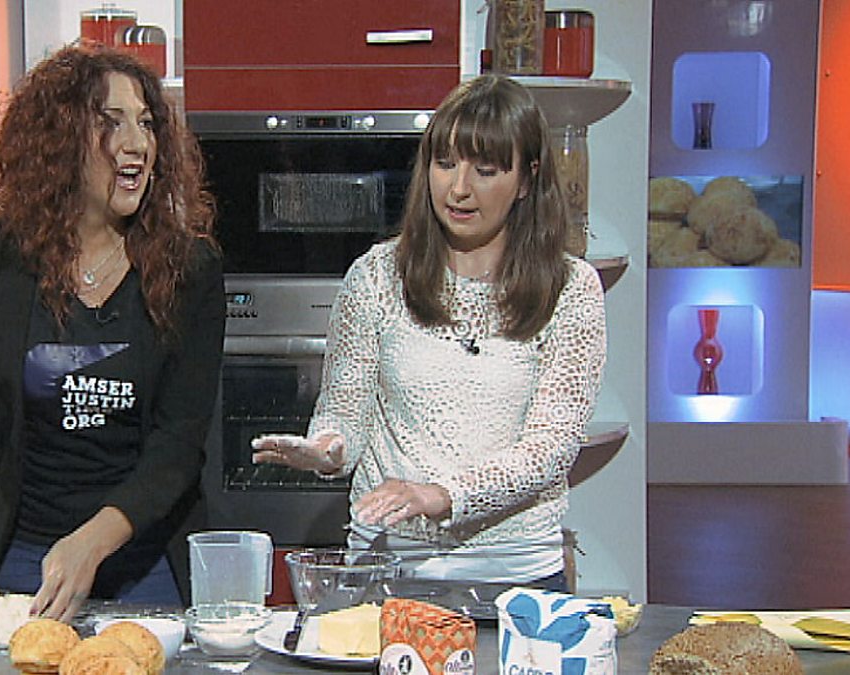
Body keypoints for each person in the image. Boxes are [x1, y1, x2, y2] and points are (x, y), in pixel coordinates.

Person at [252, 74, 606, 591]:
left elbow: (550, 446)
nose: (458, 188)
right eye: (445, 163)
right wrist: (326, 449)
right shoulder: (376, 275)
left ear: (527, 180)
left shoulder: (571, 289)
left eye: (485, 170)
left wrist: (442, 495)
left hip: (514, 575)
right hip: (389, 566)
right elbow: (344, 412)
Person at [0, 43, 223, 636]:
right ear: (59, 140)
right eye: (110, 123)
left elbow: (178, 445)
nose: (136, 143)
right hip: (21, 556)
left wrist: (92, 542)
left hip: (144, 562)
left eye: (146, 123)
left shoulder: (190, 269)